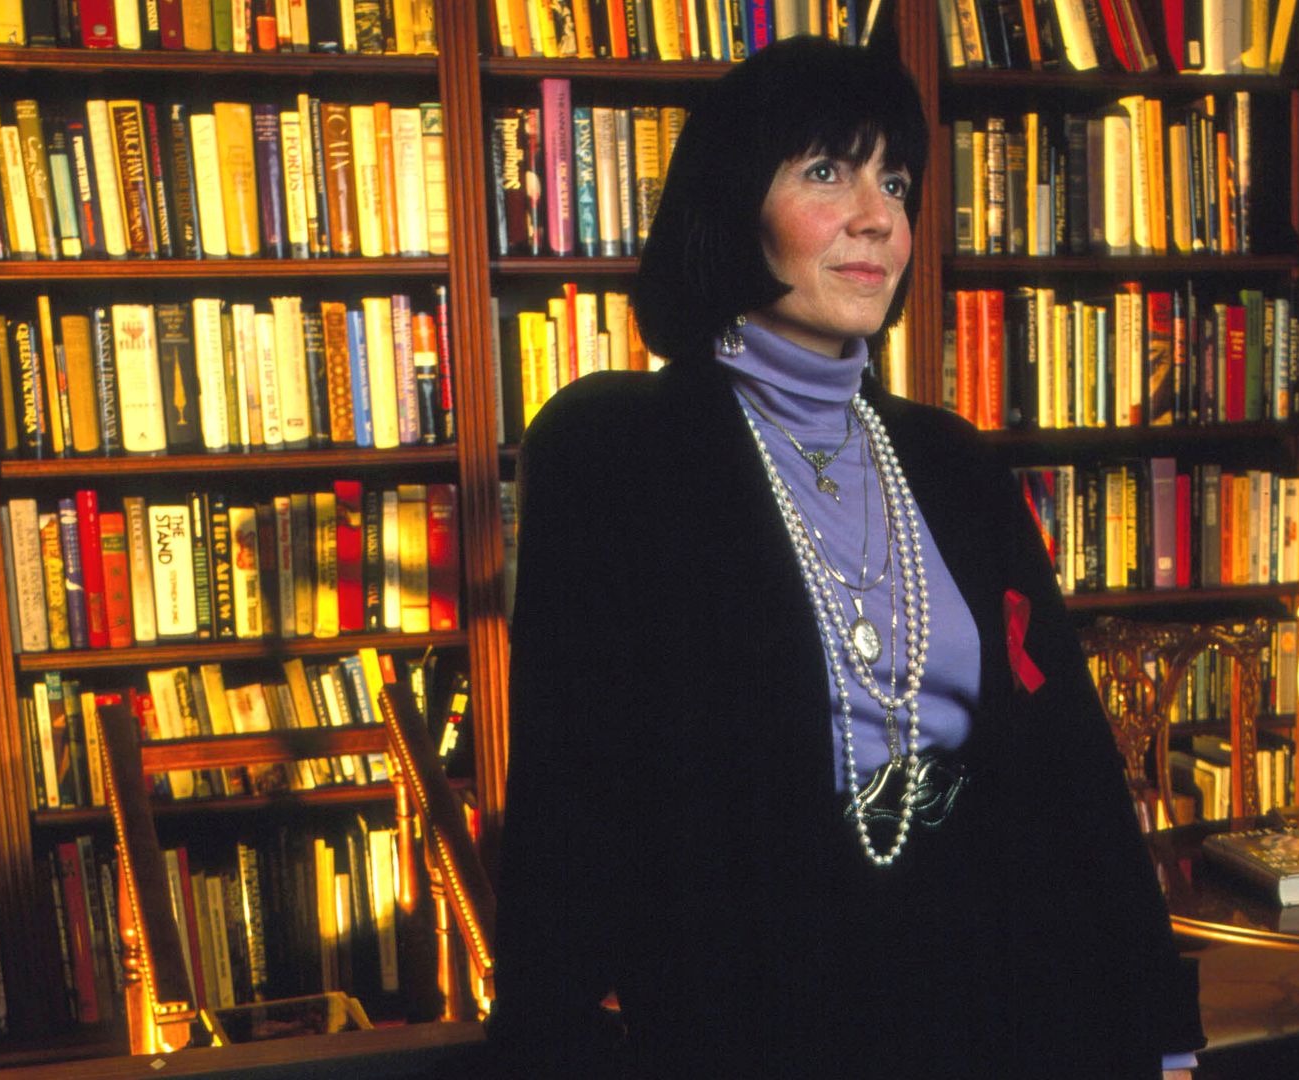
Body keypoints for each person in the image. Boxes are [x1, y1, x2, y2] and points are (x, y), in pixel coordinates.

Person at [488, 31, 1204, 1080]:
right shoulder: (613, 446)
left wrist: (1160, 1027)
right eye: (827, 171)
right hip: (761, 1011)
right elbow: (571, 782)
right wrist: (542, 1040)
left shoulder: (953, 463)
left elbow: (1069, 768)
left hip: (1003, 993)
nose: (877, 215)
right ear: (738, 204)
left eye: (896, 181)